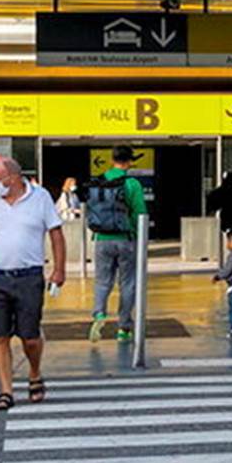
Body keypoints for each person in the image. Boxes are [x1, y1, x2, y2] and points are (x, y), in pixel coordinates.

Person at [0, 158, 65, 411]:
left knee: (29, 337)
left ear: (12, 177)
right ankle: (6, 391)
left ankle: (34, 372)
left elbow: (56, 234)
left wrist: (59, 269)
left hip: (29, 276)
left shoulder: (40, 197)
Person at [87, 145, 147, 345]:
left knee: (103, 281)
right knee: (127, 283)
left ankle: (99, 315)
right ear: (129, 161)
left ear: (112, 160)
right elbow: (140, 213)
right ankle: (124, 327)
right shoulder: (132, 184)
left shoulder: (100, 181)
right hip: (125, 238)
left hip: (101, 239)